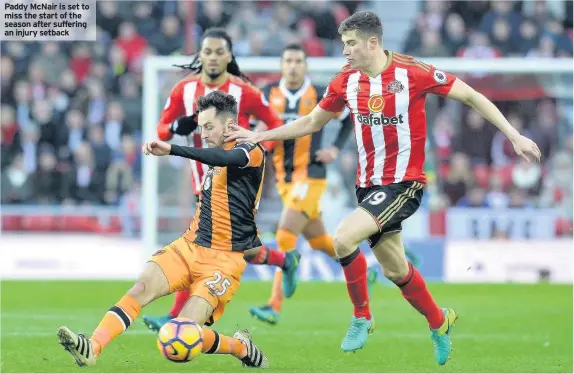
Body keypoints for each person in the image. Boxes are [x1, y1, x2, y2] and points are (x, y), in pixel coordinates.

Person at [224, 11, 541, 365]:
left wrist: (513, 136)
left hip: (405, 184)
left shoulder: (413, 72)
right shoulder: (345, 81)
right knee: (395, 270)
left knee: (344, 237)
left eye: (351, 44)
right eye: (343, 44)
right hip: (368, 186)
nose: (344, 52)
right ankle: (439, 321)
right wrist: (259, 135)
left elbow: (471, 96)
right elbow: (313, 121)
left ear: (373, 43)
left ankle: (362, 316)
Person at [57, 91, 269, 368]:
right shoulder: (215, 151)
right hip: (189, 246)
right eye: (201, 127)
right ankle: (92, 348)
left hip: (223, 260)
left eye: (208, 127)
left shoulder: (250, 151)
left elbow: (222, 159)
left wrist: (173, 149)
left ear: (229, 125)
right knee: (141, 287)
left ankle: (240, 346)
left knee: (185, 331)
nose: (203, 133)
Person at [143, 27, 293, 332]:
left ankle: (177, 316)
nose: (212, 57)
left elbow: (275, 125)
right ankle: (285, 261)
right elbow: (161, 131)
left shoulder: (245, 92)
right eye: (207, 52)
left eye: (219, 52)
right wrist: (177, 126)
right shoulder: (183, 91)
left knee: (212, 245)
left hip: (236, 181)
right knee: (220, 245)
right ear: (200, 55)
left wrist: (255, 155)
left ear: (229, 56)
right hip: (203, 178)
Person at [248, 44, 378, 325]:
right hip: (284, 178)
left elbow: (348, 120)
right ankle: (364, 269)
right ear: (281, 65)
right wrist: (259, 135)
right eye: (288, 60)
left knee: (284, 236)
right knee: (319, 242)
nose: (293, 66)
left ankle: (274, 304)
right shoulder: (268, 93)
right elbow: (257, 125)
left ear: (305, 65)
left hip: (312, 175)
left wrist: (335, 149)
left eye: (298, 61)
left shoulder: (320, 94)